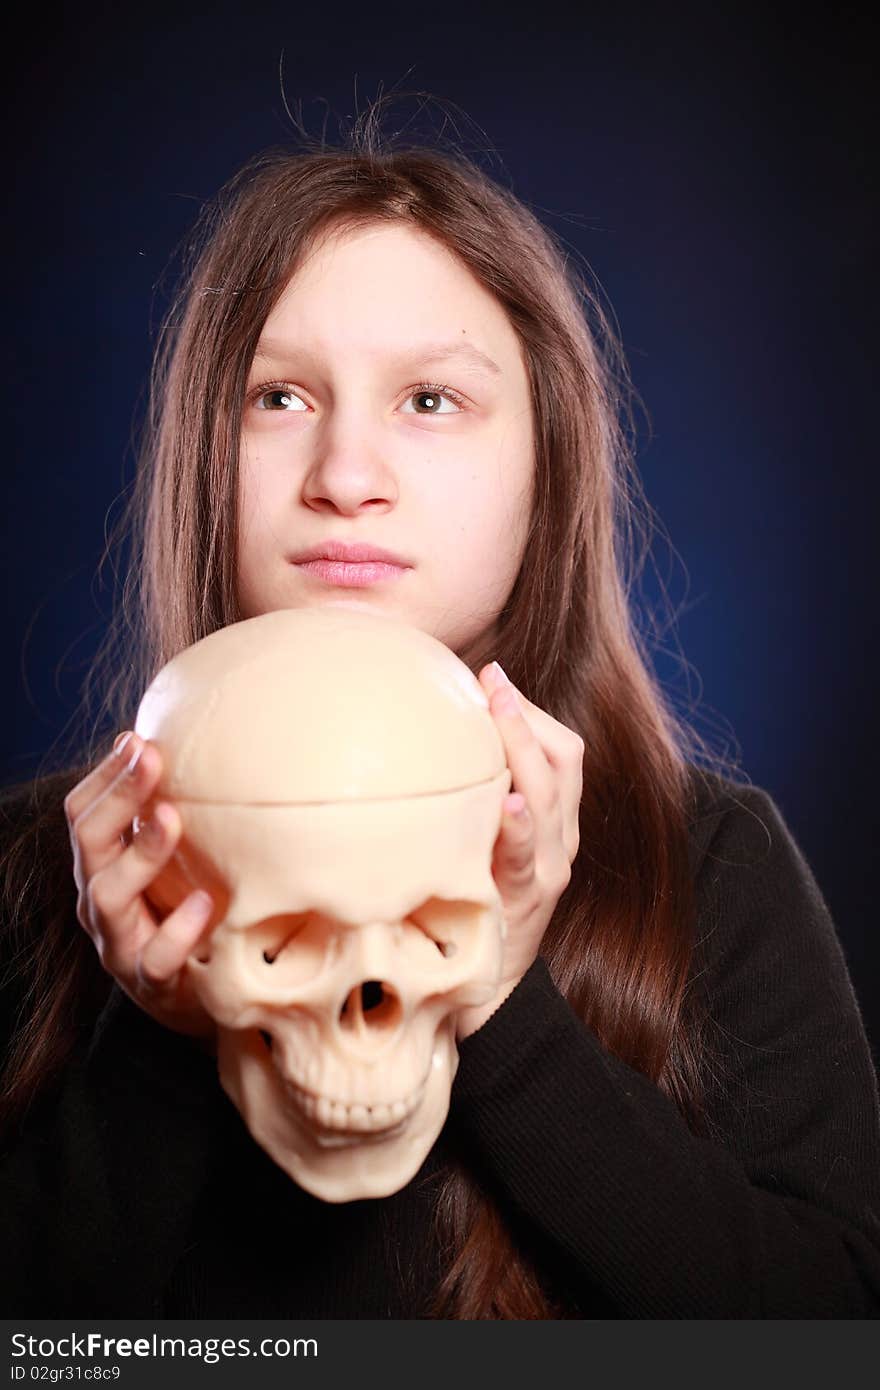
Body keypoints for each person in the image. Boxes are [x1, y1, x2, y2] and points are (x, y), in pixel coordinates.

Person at [2, 99, 879, 1320]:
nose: (346, 479)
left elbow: (833, 1326)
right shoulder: (35, 863)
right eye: (279, 397)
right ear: (203, 449)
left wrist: (505, 1009)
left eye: (430, 401)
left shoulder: (712, 860)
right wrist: (152, 1035)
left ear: (546, 462)